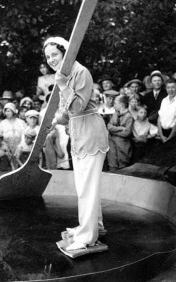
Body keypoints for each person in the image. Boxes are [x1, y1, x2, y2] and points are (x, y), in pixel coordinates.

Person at [44, 36, 109, 251]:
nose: (51, 59)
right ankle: (94, 226)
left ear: (65, 52)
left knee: (86, 188)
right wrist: (54, 122)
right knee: (85, 186)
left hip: (91, 133)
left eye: (55, 54)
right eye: (48, 56)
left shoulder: (81, 72)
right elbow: (69, 113)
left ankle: (87, 237)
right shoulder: (67, 74)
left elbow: (79, 107)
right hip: (79, 134)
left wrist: (62, 84)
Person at [107, 95, 133, 172]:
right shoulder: (115, 114)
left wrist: (113, 132)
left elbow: (127, 133)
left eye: (115, 103)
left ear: (121, 104)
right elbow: (109, 126)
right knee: (112, 165)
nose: (114, 105)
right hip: (112, 145)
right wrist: (120, 128)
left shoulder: (129, 116)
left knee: (123, 166)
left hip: (123, 146)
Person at [158, 78, 176, 143]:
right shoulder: (164, 100)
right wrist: (161, 136)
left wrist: (169, 139)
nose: (170, 90)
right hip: (162, 134)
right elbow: (159, 118)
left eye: (173, 87)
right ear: (166, 88)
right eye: (168, 87)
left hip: (173, 135)